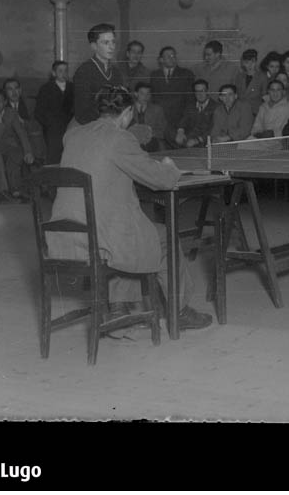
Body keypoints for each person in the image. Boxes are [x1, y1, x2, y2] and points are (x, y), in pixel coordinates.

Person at [46, 85, 212, 330]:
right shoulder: (121, 138)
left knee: (131, 226)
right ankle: (180, 311)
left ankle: (118, 306)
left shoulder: (73, 135)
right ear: (127, 112)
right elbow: (161, 180)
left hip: (63, 237)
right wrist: (169, 166)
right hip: (99, 240)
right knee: (162, 236)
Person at [0, 88, 35, 200]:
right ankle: (11, 189)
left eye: (0, 101)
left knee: (16, 155)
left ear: (5, 102)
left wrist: (28, 152)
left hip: (11, 146)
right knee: (1, 155)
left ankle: (15, 190)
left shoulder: (12, 113)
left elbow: (21, 133)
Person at [72, 23, 121, 125]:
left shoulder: (116, 72)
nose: (112, 47)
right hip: (90, 126)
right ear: (94, 46)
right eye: (106, 43)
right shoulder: (84, 72)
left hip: (114, 125)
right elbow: (82, 114)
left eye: (113, 42)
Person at [34, 60, 74, 165]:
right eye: (60, 71)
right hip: (53, 129)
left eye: (66, 71)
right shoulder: (46, 89)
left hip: (71, 127)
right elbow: (39, 112)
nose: (63, 73)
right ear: (54, 73)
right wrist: (50, 124)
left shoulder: (73, 88)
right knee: (54, 156)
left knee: (70, 154)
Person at [150, 46, 196, 133]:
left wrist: (182, 125)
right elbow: (153, 99)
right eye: (168, 56)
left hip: (180, 124)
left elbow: (190, 102)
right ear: (161, 60)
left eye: (173, 56)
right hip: (160, 124)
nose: (172, 58)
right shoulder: (154, 75)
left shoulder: (186, 74)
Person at [128, 82, 171, 152]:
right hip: (132, 142)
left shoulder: (157, 109)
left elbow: (163, 130)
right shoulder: (128, 110)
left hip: (153, 142)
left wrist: (148, 133)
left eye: (148, 94)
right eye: (142, 93)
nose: (145, 97)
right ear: (136, 94)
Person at [173, 79, 216, 149]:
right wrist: (180, 131)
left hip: (204, 139)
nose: (200, 94)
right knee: (169, 131)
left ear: (208, 91)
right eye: (197, 91)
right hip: (189, 136)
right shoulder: (190, 105)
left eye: (202, 91)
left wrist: (197, 140)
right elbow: (184, 120)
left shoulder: (216, 107)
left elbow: (213, 129)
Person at [236, 49, 267, 116]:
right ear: (243, 63)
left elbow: (265, 97)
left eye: (252, 62)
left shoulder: (262, 77)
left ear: (256, 62)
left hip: (256, 111)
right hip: (240, 111)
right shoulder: (239, 76)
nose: (250, 65)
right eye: (247, 62)